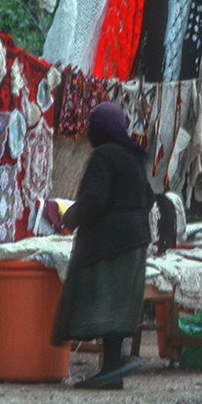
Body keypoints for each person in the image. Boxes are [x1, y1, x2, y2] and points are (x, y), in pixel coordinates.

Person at [51, 101, 152, 389]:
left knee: (105, 304)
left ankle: (111, 370)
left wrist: (69, 218)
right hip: (135, 241)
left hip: (110, 244)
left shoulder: (104, 156)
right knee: (118, 307)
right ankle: (112, 371)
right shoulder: (133, 156)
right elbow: (149, 199)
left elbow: (94, 200)